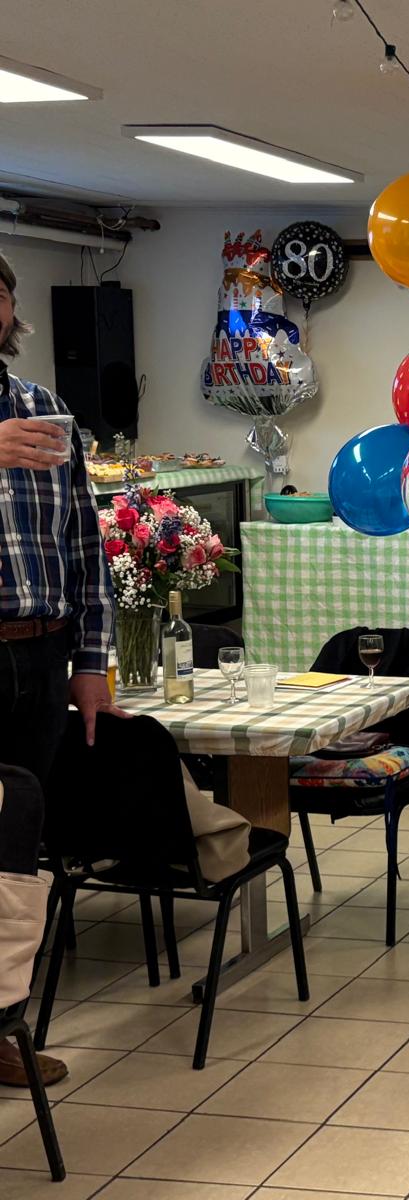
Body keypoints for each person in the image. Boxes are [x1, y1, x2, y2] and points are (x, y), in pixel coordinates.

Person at [0, 249, 124, 1088]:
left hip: (42, 658)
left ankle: (1, 1025)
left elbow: (85, 546)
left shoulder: (46, 409)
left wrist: (91, 662)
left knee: (19, 849)